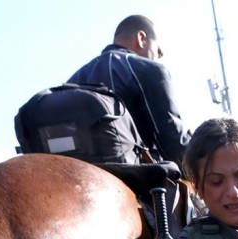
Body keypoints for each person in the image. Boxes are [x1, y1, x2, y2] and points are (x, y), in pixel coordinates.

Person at [68, 15, 190, 165]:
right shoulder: (151, 70)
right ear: (141, 38)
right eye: (158, 51)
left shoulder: (72, 80)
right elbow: (173, 146)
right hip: (136, 175)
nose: (159, 57)